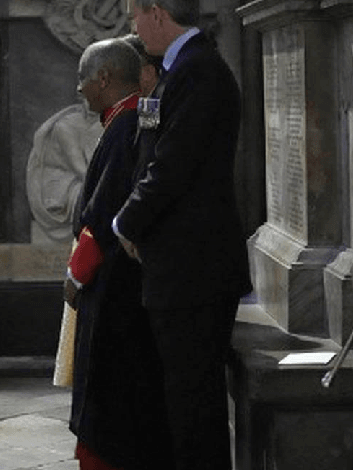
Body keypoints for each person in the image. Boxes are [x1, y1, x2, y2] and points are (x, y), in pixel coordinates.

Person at [115, 2, 253, 469]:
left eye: (135, 14)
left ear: (156, 13)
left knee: (194, 409)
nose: (132, 26)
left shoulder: (198, 72)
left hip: (193, 270)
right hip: (183, 268)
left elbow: (171, 165)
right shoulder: (185, 68)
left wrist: (125, 223)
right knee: (185, 403)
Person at [65, 37, 172, 470]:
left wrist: (75, 276)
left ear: (104, 78)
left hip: (114, 290)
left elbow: (104, 216)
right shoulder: (126, 121)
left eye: (83, 79)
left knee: (110, 403)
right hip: (119, 285)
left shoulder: (126, 125)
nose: (79, 89)